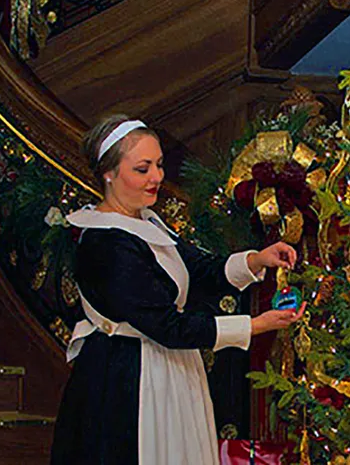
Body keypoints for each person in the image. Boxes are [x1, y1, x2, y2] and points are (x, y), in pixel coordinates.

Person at [50, 116, 306, 465]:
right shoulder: (105, 242)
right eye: (143, 169)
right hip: (130, 379)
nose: (157, 177)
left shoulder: (144, 220)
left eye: (158, 164)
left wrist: (256, 260)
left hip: (168, 367)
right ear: (108, 173)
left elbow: (197, 269)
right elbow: (167, 327)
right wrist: (254, 326)